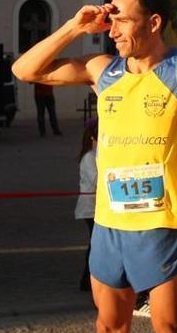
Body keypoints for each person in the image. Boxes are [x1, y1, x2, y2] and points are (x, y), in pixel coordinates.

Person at [12, 0, 177, 333]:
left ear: (154, 22)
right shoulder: (103, 70)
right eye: (110, 21)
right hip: (109, 224)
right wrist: (74, 26)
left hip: (160, 225)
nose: (112, 31)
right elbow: (24, 70)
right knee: (110, 325)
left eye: (122, 20)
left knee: (168, 327)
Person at [77, 118, 99, 292]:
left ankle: (89, 279)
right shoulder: (90, 157)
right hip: (90, 207)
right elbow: (96, 180)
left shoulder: (95, 155)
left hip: (97, 207)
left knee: (95, 243)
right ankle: (87, 279)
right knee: (95, 243)